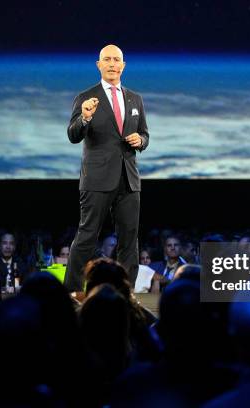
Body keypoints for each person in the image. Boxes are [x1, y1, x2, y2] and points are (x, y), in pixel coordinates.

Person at [64, 44, 150, 293]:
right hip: (97, 178)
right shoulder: (85, 97)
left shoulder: (135, 98)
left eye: (117, 60)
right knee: (87, 236)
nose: (112, 64)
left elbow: (144, 133)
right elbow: (73, 135)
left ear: (123, 65)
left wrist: (140, 141)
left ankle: (126, 293)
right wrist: (86, 117)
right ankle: (73, 292)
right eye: (107, 59)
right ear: (98, 65)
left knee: (129, 240)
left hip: (129, 178)